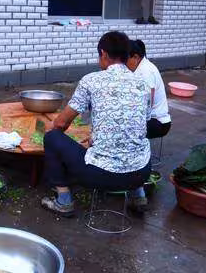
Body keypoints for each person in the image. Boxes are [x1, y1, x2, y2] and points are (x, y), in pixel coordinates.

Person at [41, 31, 152, 217]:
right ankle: (138, 196)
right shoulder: (143, 84)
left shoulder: (91, 80)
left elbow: (61, 123)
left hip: (100, 176)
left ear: (103, 54)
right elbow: (140, 125)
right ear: (127, 55)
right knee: (135, 141)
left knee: (52, 138)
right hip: (142, 172)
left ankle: (63, 201)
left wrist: (51, 128)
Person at [126, 39, 172, 140]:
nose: (124, 64)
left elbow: (146, 105)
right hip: (152, 119)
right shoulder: (141, 67)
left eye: (125, 60)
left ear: (135, 57)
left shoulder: (146, 71)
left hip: (158, 122)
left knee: (121, 126)